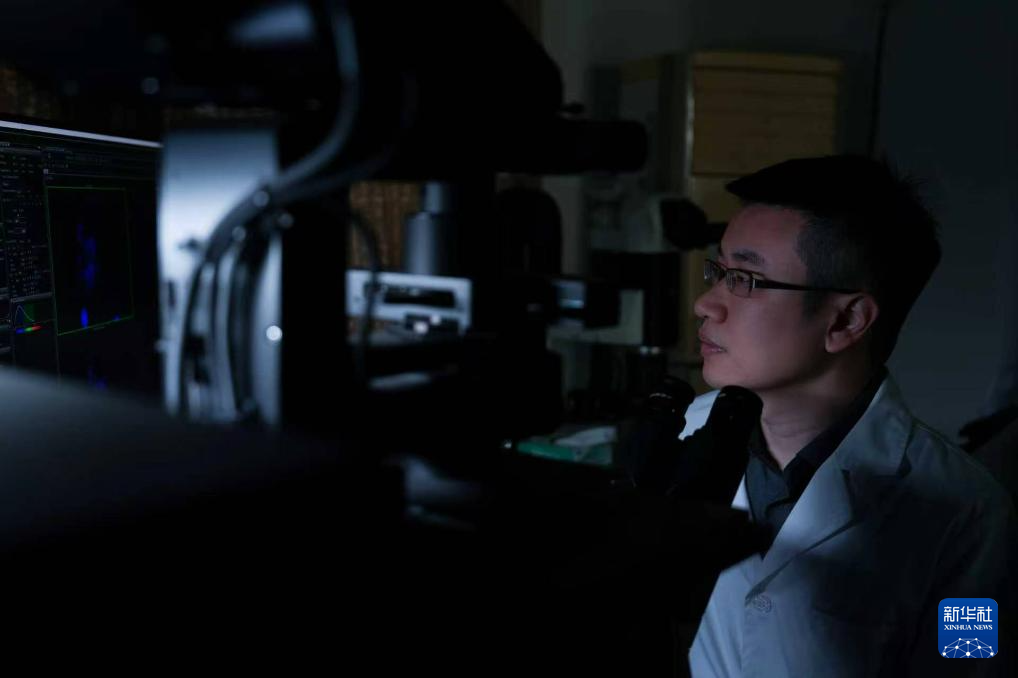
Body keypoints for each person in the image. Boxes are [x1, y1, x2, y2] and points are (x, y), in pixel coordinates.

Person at [679, 155, 1017, 676]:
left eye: (744, 279)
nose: (706, 304)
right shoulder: (685, 434)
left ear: (846, 320)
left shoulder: (968, 514)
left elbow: (969, 667)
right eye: (718, 271)